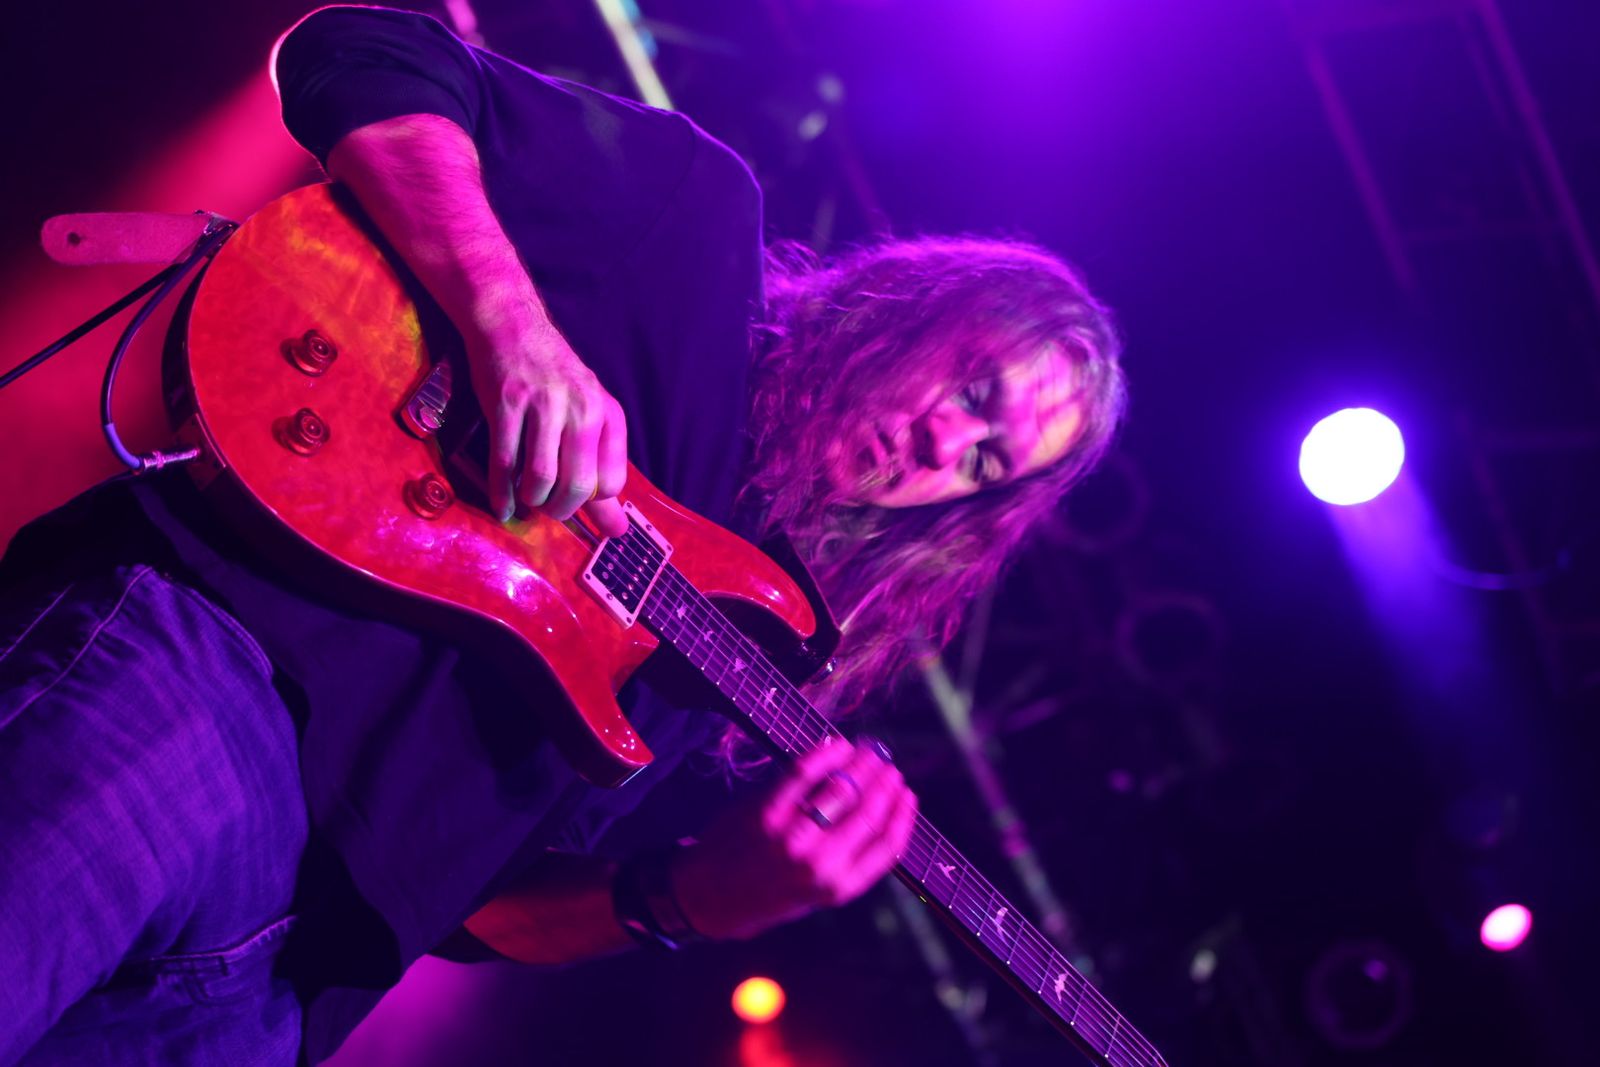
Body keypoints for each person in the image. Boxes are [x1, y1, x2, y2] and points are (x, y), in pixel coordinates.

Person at [0, 5, 1124, 1064]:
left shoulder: (742, 636)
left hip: (283, 987)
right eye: (973, 390)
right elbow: (358, 52)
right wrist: (512, 327)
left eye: (984, 464)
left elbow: (478, 907)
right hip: (206, 696)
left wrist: (700, 894)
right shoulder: (688, 227)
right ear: (921, 308)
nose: (941, 445)